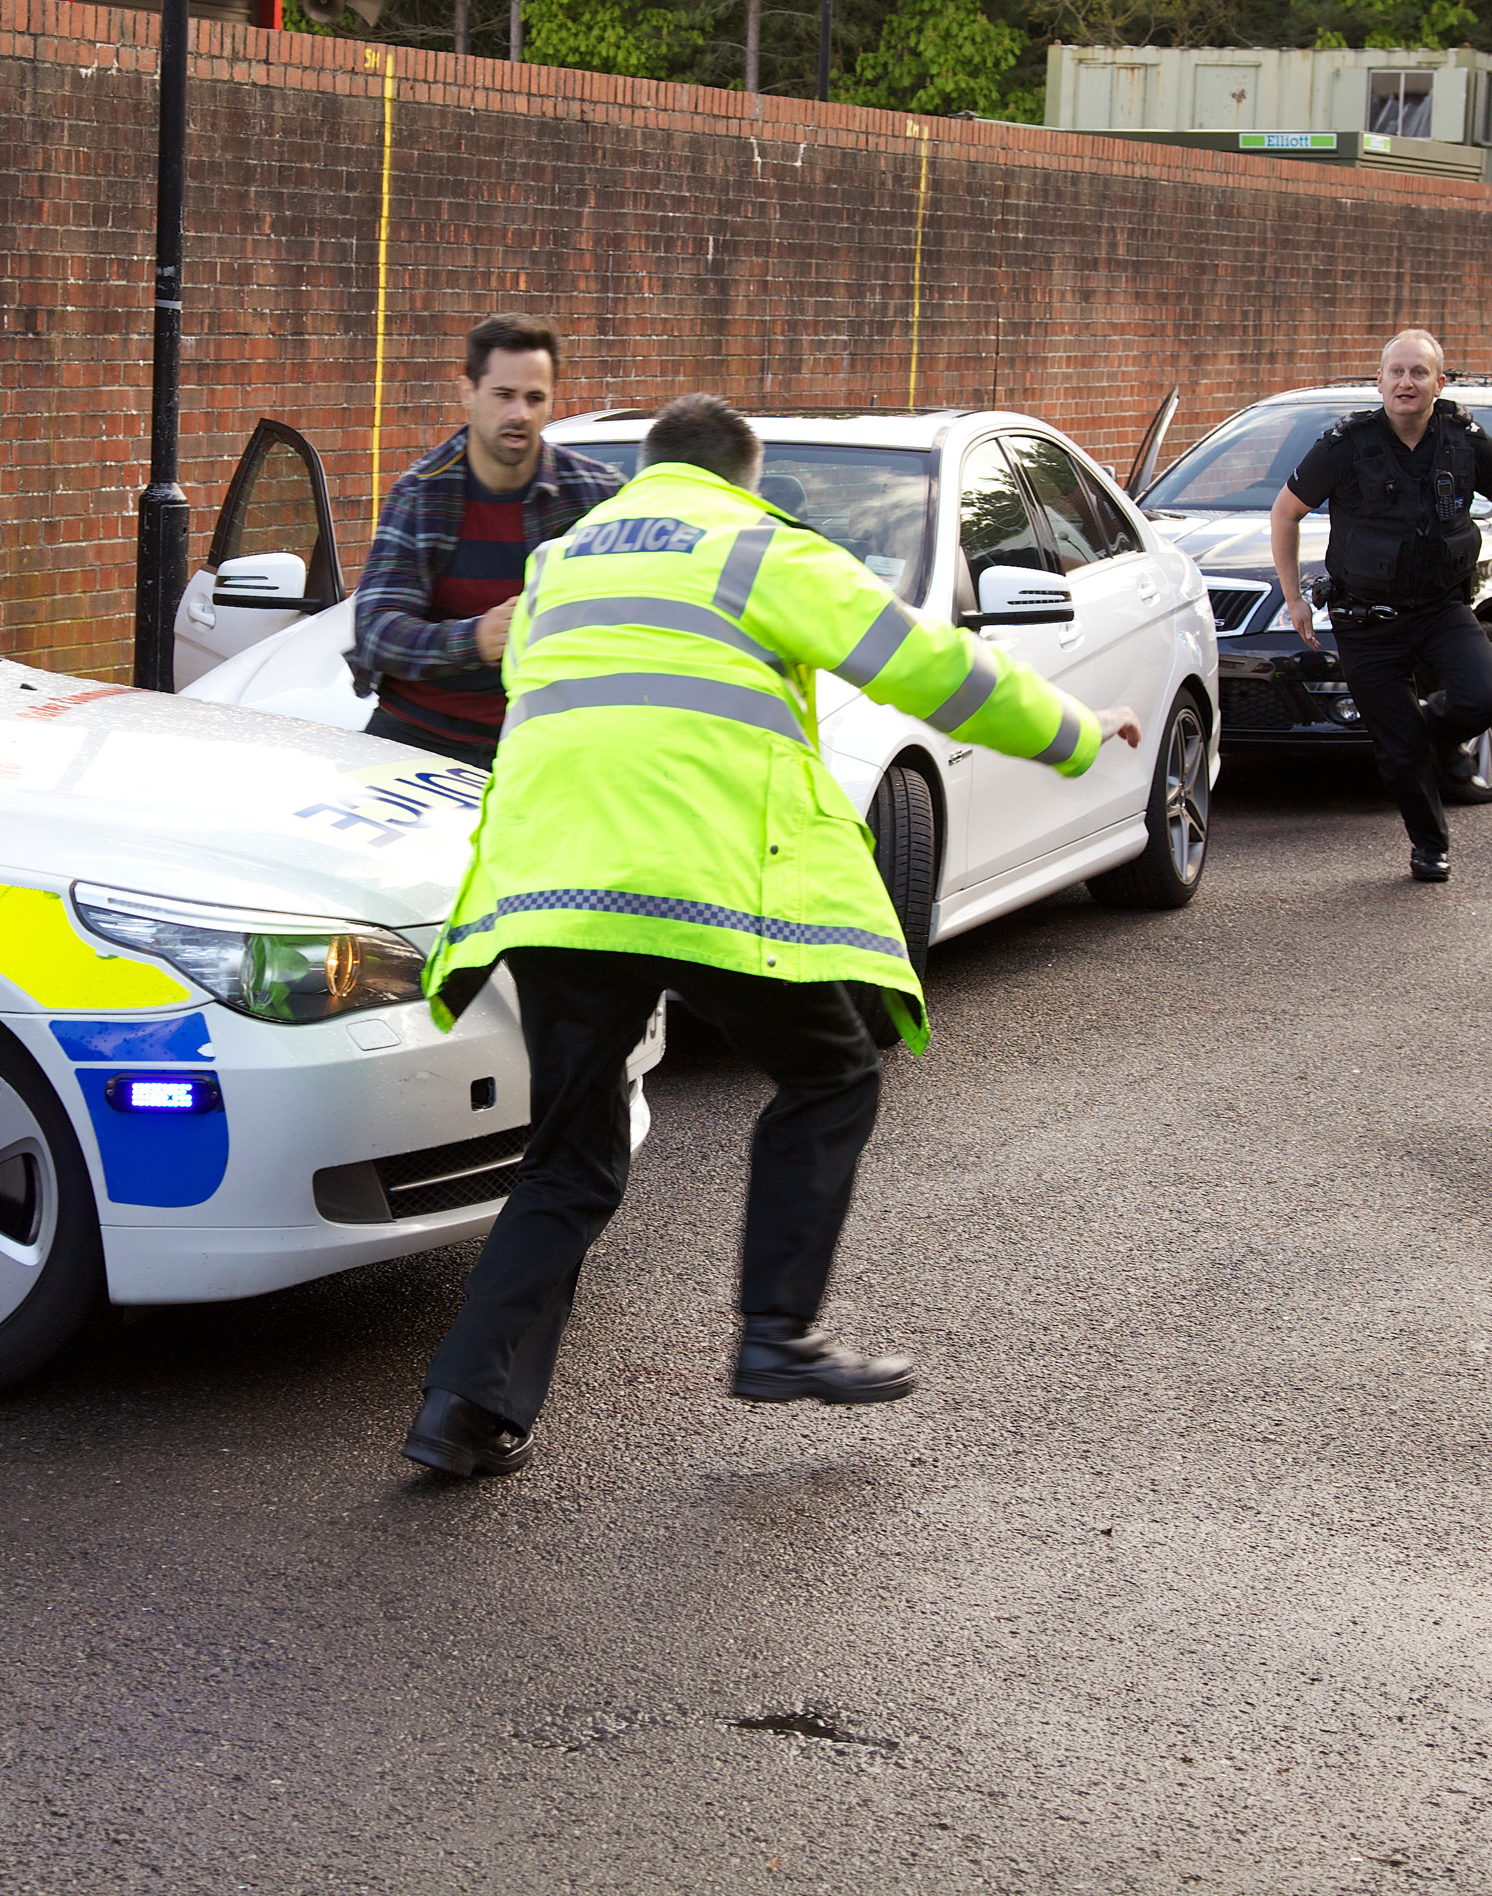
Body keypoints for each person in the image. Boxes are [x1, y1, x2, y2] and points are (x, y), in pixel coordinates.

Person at [398, 392, 1149, 1479]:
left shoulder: (562, 562)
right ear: (742, 476)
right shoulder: (758, 545)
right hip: (700, 881)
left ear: (649, 471)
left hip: (549, 887)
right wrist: (1076, 731)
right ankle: (777, 1331)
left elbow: (545, 696)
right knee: (831, 1073)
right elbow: (926, 664)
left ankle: (462, 1409)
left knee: (566, 1154)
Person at [1270, 329, 1492, 883]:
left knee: (1488, 698)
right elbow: (1285, 513)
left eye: (1419, 373)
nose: (1406, 382)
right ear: (1379, 381)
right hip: (1365, 620)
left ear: (1438, 383)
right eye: (1396, 372)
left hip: (1441, 610)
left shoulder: (1465, 440)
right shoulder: (1346, 446)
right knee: (1399, 755)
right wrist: (1294, 597)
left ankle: (1425, 734)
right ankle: (1429, 846)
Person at [349, 314, 624, 766]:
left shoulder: (597, 494)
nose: (520, 413)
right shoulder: (421, 494)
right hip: (422, 731)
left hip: (548, 735)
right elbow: (376, 632)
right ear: (467, 394)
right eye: (504, 395)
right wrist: (474, 637)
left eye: (535, 398)